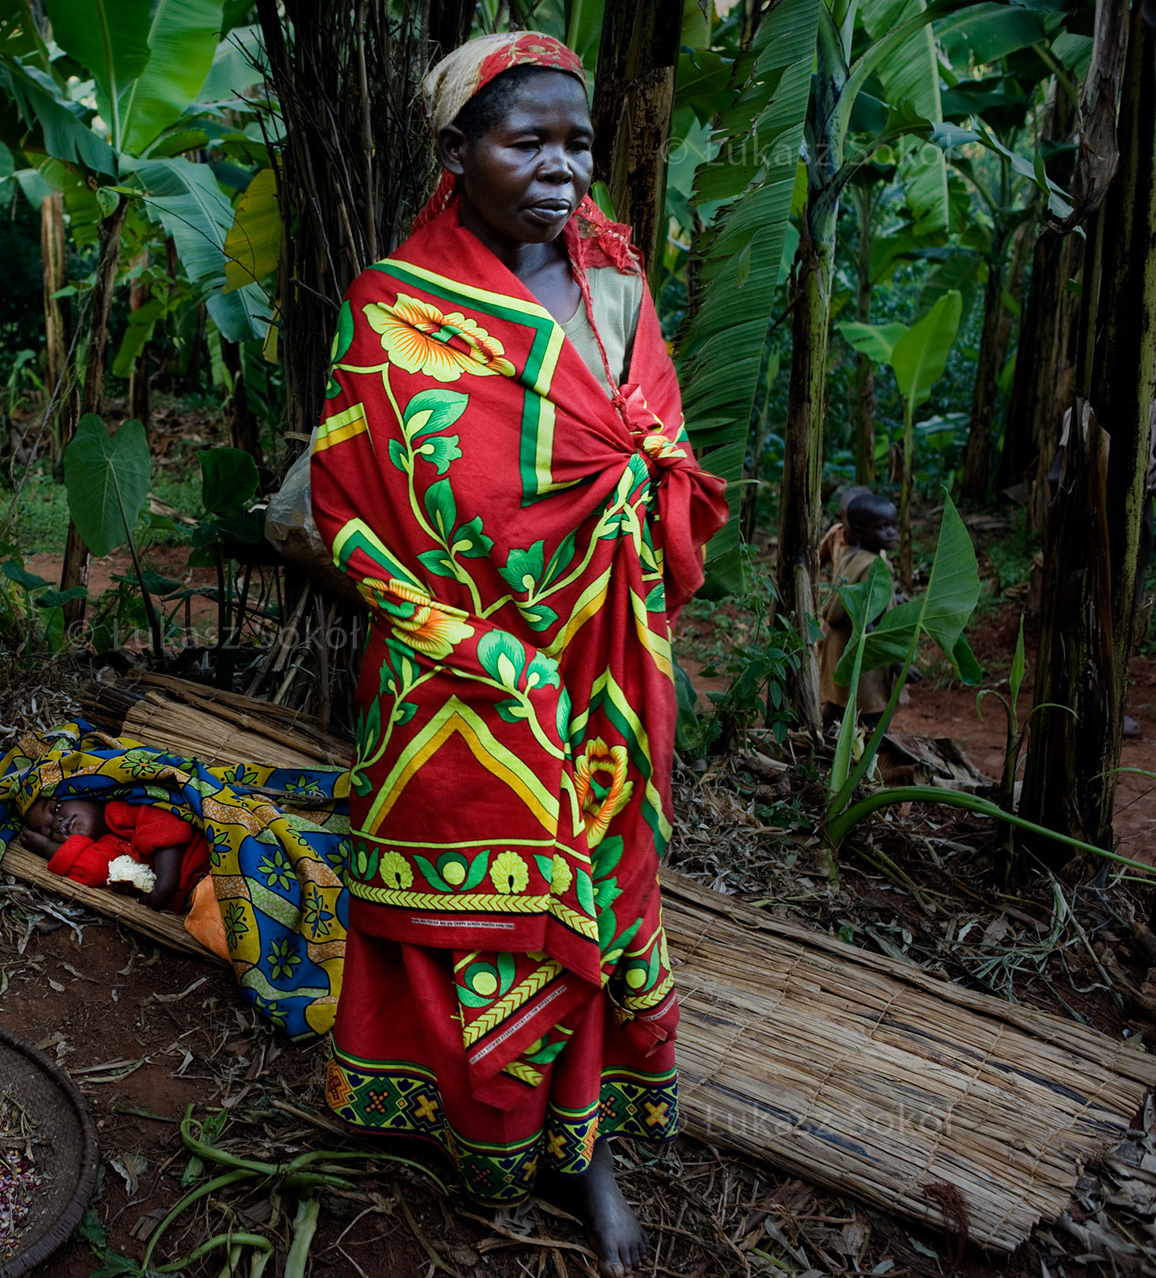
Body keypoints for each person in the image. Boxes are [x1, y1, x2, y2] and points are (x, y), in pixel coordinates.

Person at [309, 32, 727, 1277]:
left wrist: (633, 509)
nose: (559, 168)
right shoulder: (395, 306)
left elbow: (666, 464)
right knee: (479, 902)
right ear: (457, 153)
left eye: (576, 142)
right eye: (525, 140)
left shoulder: (618, 296)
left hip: (603, 665)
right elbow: (345, 506)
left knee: (594, 888)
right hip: (463, 674)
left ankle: (584, 1154)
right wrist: (467, 636)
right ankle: (480, 1123)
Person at [20, 795, 209, 914]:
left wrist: (165, 887)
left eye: (57, 807)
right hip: (199, 900)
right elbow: (94, 869)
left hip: (216, 862)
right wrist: (46, 848)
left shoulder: (123, 804)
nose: (57, 822)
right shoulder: (105, 844)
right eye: (51, 833)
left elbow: (164, 825)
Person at [818, 489, 909, 727]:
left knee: (839, 706)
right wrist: (897, 662)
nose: (891, 532)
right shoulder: (875, 566)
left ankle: (816, 741)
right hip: (863, 655)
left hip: (840, 646)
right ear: (857, 531)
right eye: (881, 526)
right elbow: (869, 621)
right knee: (873, 717)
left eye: (893, 525)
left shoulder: (852, 557)